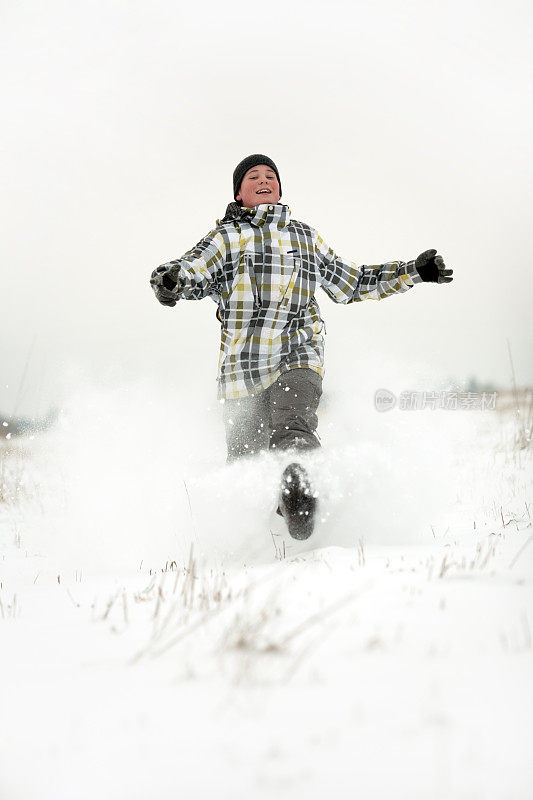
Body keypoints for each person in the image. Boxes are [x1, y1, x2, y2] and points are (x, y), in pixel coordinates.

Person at [150, 154, 453, 537]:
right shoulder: (224, 239)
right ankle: (260, 533)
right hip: (242, 371)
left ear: (279, 187)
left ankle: (301, 489)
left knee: (294, 428)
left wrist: (414, 271)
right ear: (239, 194)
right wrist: (171, 281)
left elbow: (353, 282)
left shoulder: (304, 237)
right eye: (253, 177)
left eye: (270, 176)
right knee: (247, 462)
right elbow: (191, 269)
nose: (264, 181)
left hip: (298, 354)